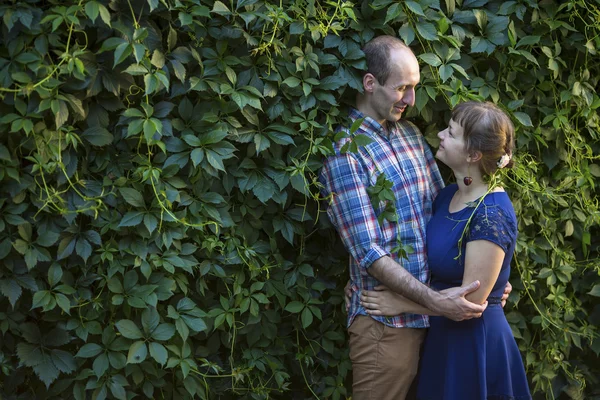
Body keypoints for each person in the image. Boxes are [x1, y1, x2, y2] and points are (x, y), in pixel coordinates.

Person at [318, 36, 509, 400]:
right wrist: (436, 303)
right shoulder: (345, 153)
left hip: (440, 325)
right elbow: (369, 252)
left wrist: (491, 282)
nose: (411, 100)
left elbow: (448, 215)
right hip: (387, 324)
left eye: (415, 87)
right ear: (370, 83)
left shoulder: (411, 135)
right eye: (402, 88)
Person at [360, 101, 531, 399]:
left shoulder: (491, 214)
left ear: (473, 155)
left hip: (473, 345)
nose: (439, 134)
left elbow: (469, 304)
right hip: (442, 336)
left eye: (451, 133)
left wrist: (401, 303)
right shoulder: (448, 195)